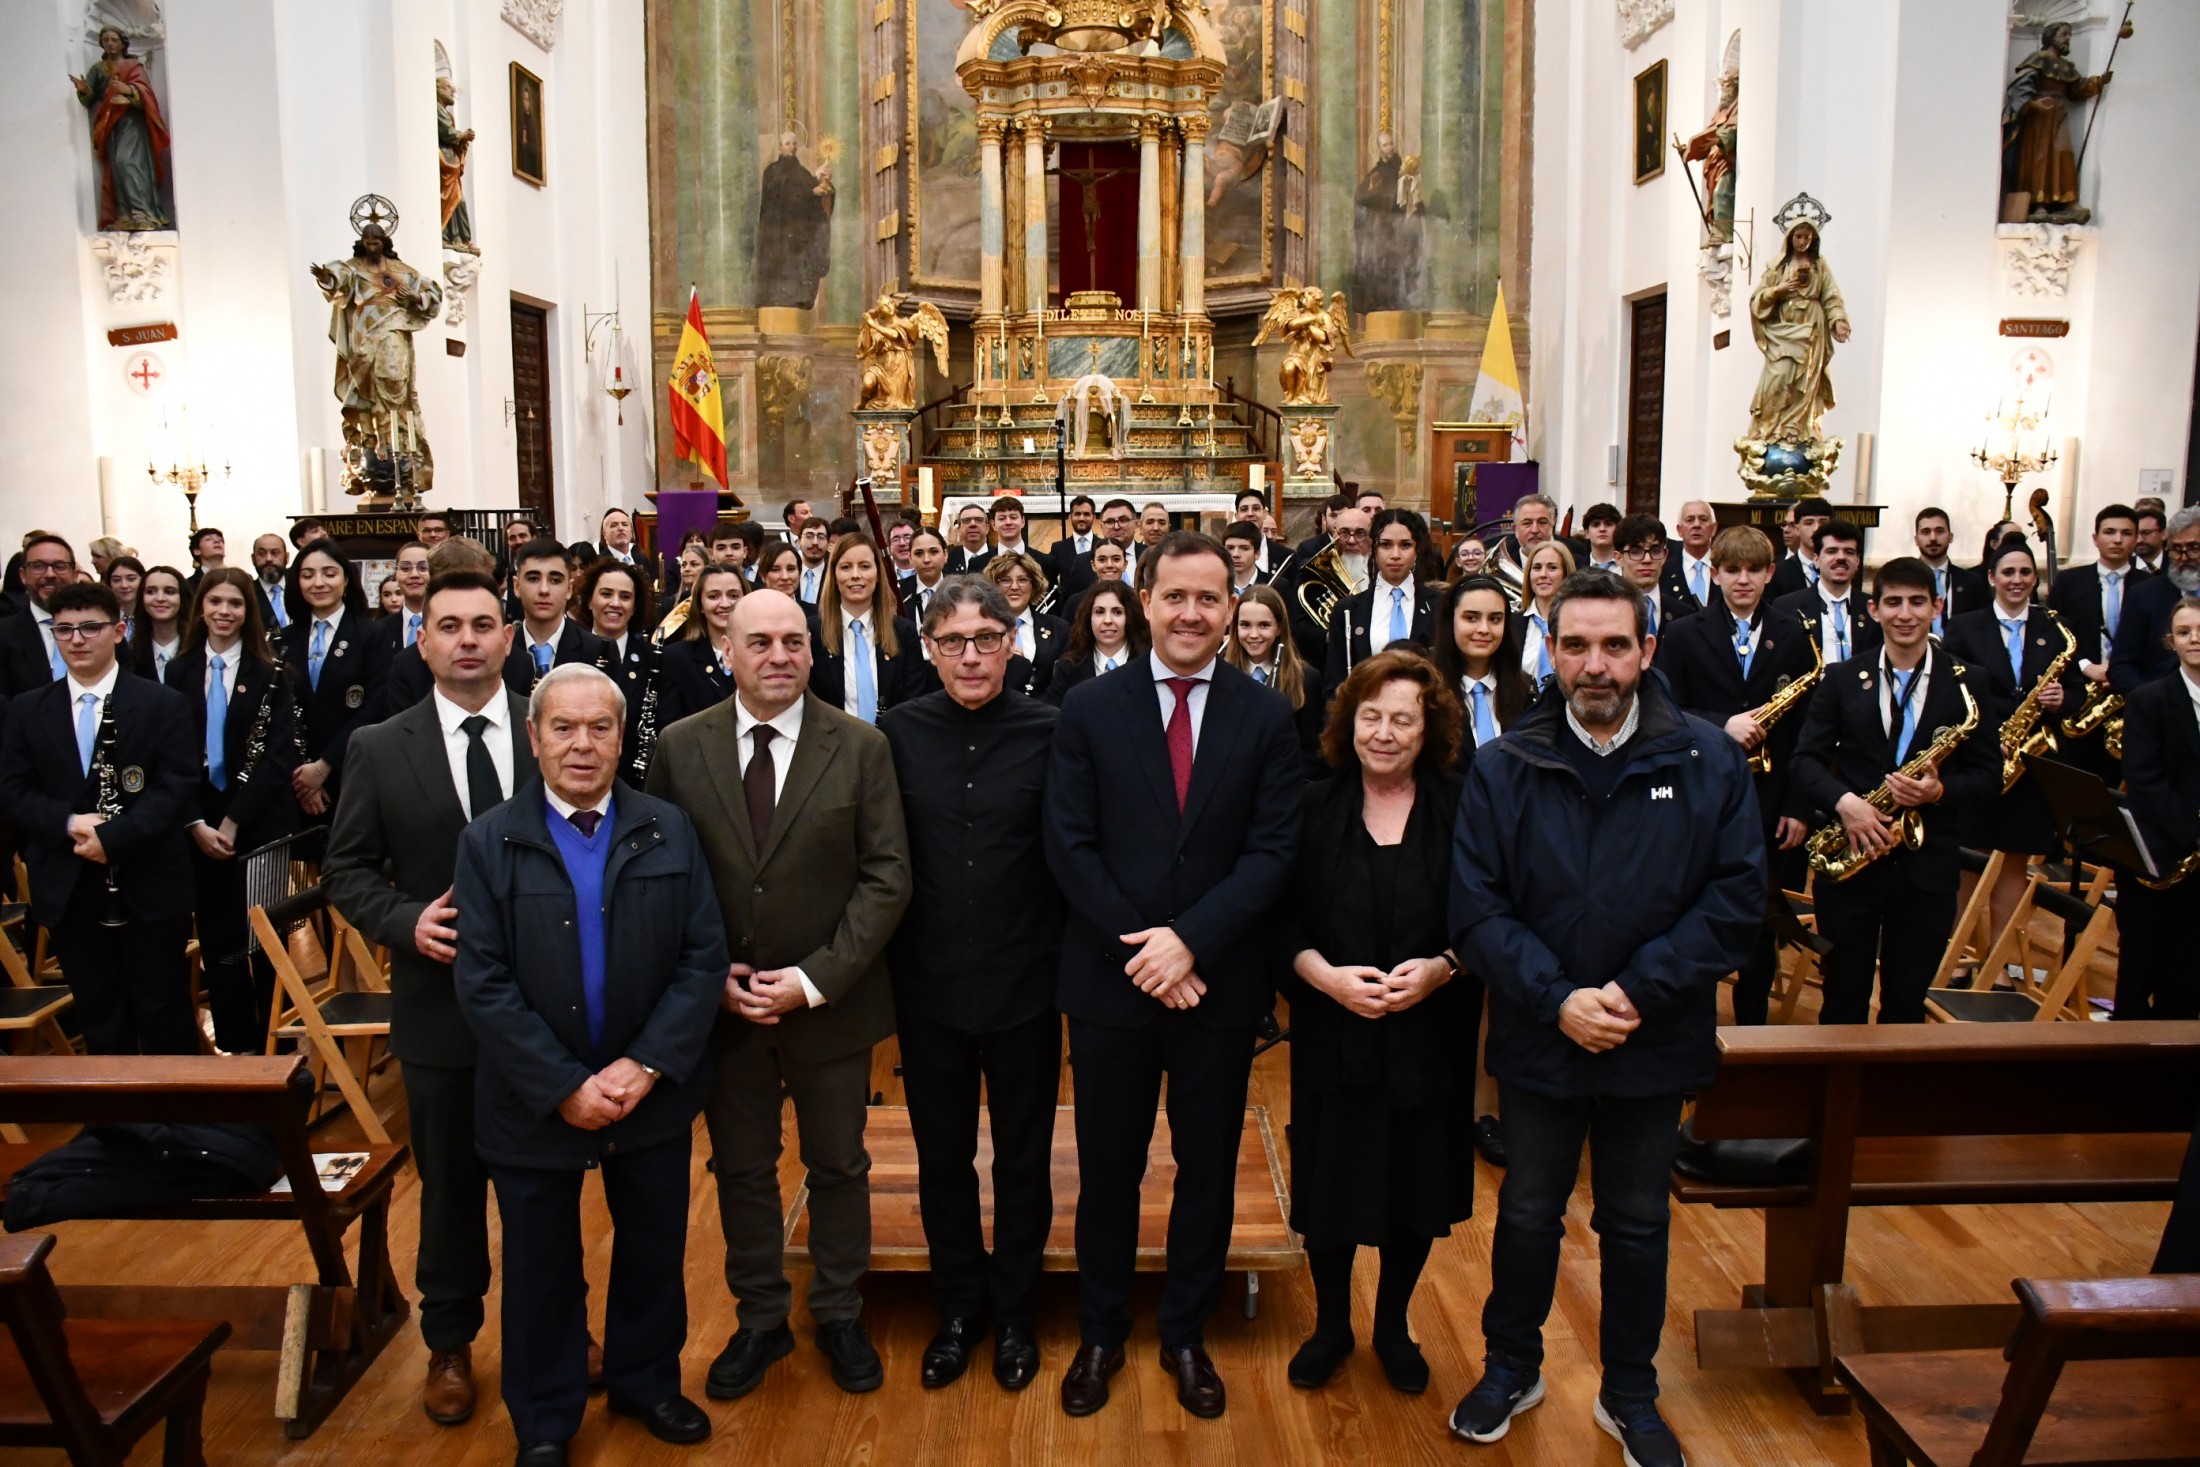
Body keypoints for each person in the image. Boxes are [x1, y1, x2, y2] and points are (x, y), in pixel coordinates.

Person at [1446, 570, 1762, 1467]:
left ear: (1647, 650)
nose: (1595, 664)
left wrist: (1633, 992)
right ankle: (1513, 1363)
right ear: (1548, 650)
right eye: (1575, 644)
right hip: (1542, 1033)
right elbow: (1475, 907)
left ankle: (1630, 1389)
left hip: (1650, 1034)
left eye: (1615, 645)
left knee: (1635, 1221)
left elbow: (1735, 902)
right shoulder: (1506, 761)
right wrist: (1557, 998)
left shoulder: (1708, 759)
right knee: (1527, 1211)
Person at [1044, 532, 1302, 1421]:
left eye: (1210, 597)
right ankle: (1102, 1330)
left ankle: (1187, 1331)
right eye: (1175, 596)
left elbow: (1273, 852)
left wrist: (1189, 943)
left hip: (1218, 982)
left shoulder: (1265, 716)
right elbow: (1068, 845)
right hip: (1114, 984)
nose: (1192, 613)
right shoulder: (1088, 706)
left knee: (1205, 1169)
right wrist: (1148, 952)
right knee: (1108, 1168)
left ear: (1232, 608)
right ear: (1143, 599)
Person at [644, 589, 913, 1402]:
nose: (779, 656)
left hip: (830, 1004)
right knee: (742, 1168)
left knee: (839, 1163)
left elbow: (887, 876)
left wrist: (811, 979)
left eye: (794, 641)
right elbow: (660, 874)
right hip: (720, 1009)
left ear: (812, 647)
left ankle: (837, 1307)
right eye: (759, 641)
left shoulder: (861, 745)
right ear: (724, 647)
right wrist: (708, 974)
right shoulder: (679, 748)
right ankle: (761, 1315)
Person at [453, 665, 726, 1463]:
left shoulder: (670, 828)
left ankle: (647, 1382)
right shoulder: (488, 839)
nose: (582, 743)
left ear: (621, 737)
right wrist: (562, 1084)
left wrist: (646, 1065)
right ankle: (544, 1416)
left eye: (599, 727)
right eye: (563, 728)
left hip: (649, 1092)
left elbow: (701, 959)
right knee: (539, 1264)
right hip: (533, 1101)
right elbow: (483, 979)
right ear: (533, 737)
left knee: (652, 1247)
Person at [324, 568, 535, 1425]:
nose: (469, 640)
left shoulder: (548, 724)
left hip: (544, 1007)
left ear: (509, 637)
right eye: (449, 625)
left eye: (484, 623)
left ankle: (554, 1328)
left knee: (545, 1186)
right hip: (439, 1006)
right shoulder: (380, 745)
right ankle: (448, 1340)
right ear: (423, 639)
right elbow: (345, 870)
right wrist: (406, 920)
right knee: (449, 1187)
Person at [879, 579, 1062, 1393]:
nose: (971, 656)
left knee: (1024, 1157)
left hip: (1027, 983)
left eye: (987, 637)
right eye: (952, 641)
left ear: (1014, 640)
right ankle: (959, 1306)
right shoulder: (894, 734)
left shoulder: (1055, 731)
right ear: (928, 648)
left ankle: (1018, 1309)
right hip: (929, 988)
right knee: (942, 1157)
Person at [1282, 650, 1473, 1395]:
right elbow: (1281, 919)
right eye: (1371, 717)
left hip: (1433, 1031)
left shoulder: (1463, 806)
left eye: (1403, 719)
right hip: (1334, 1030)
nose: (1385, 733)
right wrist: (1321, 977)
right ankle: (1331, 1325)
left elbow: (1494, 912)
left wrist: (1444, 967)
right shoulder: (1312, 805)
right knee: (1330, 1183)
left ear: (1431, 729)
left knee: (1415, 1184)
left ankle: (1392, 1324)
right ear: (1347, 721)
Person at [1791, 558, 1999, 1024]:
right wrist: (1848, 805)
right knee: (1842, 996)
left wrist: (1939, 793)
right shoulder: (1843, 678)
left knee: (1906, 1002)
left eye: (1917, 602)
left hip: (1927, 871)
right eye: (1893, 602)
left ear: (1936, 607)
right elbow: (1804, 761)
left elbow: (1990, 775)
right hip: (1852, 860)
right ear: (1874, 609)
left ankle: (1891, 1097)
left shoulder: (1969, 683)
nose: (1905, 614)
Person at [0, 582, 198, 1054]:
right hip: (70, 884)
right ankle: (116, 1127)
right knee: (99, 1012)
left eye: (90, 627)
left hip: (148, 882)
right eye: (63, 628)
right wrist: (69, 823)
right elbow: (13, 789)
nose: (76, 639)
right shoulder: (28, 709)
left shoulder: (161, 703)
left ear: (119, 630)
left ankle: (180, 1122)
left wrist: (114, 837)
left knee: (162, 1008)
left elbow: (175, 785)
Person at [1658, 526, 1819, 1024]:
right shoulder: (1683, 633)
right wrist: (1719, 724)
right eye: (1732, 570)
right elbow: (1665, 709)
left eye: (1754, 570)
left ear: (1771, 573)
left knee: (1760, 921)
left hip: (1769, 799)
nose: (1743, 580)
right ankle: (1695, 1027)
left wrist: (1797, 806)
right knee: (1694, 911)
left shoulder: (1794, 635)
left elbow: (1806, 734)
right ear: (1715, 573)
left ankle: (1754, 1025)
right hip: (1702, 794)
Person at [166, 568, 301, 1050]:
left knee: (265, 939)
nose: (225, 612)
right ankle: (237, 1041)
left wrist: (233, 818)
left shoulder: (272, 674)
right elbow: (172, 754)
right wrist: (197, 823)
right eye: (216, 601)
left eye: (236, 603)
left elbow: (279, 755)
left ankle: (274, 1042)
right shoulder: (177, 672)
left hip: (258, 822)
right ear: (200, 607)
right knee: (221, 942)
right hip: (198, 824)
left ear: (250, 611)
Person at [1428, 574, 1535, 1164]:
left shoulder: (1527, 691)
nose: (1483, 630)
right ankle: (1451, 1108)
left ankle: (1490, 1110)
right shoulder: (1429, 688)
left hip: (1514, 856)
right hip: (1447, 850)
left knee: (1501, 988)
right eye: (1472, 618)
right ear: (1452, 622)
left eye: (1495, 619)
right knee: (1453, 984)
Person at [1945, 538, 2079, 957]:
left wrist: (2064, 700)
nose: (2017, 580)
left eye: (2025, 573)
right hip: (1983, 758)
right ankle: (1956, 956)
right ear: (1991, 578)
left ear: (2034, 578)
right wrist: (1995, 733)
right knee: (1969, 862)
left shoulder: (2055, 629)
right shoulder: (1966, 626)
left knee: (2015, 864)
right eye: (2008, 572)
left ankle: (1997, 962)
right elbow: (1954, 691)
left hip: (2031, 764)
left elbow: (2077, 691)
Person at [2113, 596, 2200, 1020]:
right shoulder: (2149, 700)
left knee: (2189, 969)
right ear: (2172, 642)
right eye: (2184, 633)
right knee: (2142, 965)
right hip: (2159, 855)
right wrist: (2193, 830)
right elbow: (2145, 780)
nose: (2195, 639)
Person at [282, 542, 391, 821]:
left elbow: (376, 707)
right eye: (307, 575)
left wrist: (324, 766)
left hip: (353, 774)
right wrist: (305, 778)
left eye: (329, 573)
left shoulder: (372, 634)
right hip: (294, 781)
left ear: (346, 579)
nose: (318, 583)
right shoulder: (283, 639)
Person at [1323, 508, 1440, 703]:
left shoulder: (1440, 605)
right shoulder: (1347, 610)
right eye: (1386, 545)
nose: (1395, 554)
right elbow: (1333, 684)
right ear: (1372, 548)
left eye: (1405, 545)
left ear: (1417, 550)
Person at [812, 536, 921, 724]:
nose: (855, 575)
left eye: (864, 566)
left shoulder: (904, 632)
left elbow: (913, 700)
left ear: (878, 574)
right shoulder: (813, 632)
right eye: (846, 567)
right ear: (834, 575)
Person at [577, 559, 663, 786]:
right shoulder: (570, 654)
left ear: (635, 607)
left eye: (625, 597)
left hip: (637, 785)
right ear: (589, 600)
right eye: (606, 594)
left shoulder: (654, 659)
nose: (615, 603)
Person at [1224, 585, 1322, 772]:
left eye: (1264, 625)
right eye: (1245, 625)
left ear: (1279, 628)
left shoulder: (1306, 678)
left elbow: (1312, 752)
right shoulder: (1220, 675)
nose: (1253, 635)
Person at [2048, 501, 2145, 691]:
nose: (2117, 540)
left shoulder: (2151, 585)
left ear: (2136, 540)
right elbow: (2053, 632)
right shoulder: (2069, 581)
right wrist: (2086, 666)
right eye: (2109, 532)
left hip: (2136, 687)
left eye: (2126, 533)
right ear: (2095, 538)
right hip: (2080, 684)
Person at [506, 540, 614, 695]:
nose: (544, 590)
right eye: (533, 579)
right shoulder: (501, 653)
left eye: (555, 580)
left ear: (569, 589)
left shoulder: (597, 651)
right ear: (517, 586)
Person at [2111, 506, 2200, 695]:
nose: (2184, 558)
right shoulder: (2143, 595)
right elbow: (2121, 666)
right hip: (2161, 710)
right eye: (2176, 549)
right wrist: (2151, 701)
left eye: (2194, 548)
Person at [1773, 517, 1877, 665]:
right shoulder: (1786, 607)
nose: (1841, 557)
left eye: (1849, 552)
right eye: (1832, 551)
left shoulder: (1873, 609)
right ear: (1817, 559)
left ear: (1858, 561)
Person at [659, 565, 747, 723]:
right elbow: (670, 729)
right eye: (714, 597)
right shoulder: (675, 658)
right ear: (699, 604)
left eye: (733, 596)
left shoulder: (762, 653)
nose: (725, 604)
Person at [0, 533, 81, 694]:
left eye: (59, 566)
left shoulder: (102, 627)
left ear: (74, 574)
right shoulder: (3, 634)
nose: (50, 574)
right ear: (23, 575)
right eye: (38, 566)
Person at [1045, 581, 1147, 707]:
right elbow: (1054, 717)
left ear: (1130, 617)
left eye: (1117, 612)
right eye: (1099, 612)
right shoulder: (1068, 667)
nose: (1108, 620)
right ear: (1089, 618)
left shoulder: (1148, 664)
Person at [987, 552, 1064, 698]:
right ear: (993, 586)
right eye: (1005, 580)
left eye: (1022, 580)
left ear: (1034, 585)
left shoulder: (1059, 628)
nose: (1014, 587)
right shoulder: (981, 630)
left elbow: (1063, 681)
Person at [1914, 506, 1990, 633]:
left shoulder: (1973, 582)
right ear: (1916, 540)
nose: (1933, 537)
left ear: (1951, 537)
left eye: (1939, 531)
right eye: (1926, 532)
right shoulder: (1902, 581)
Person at [1518, 541, 1576, 690]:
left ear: (1565, 574)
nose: (1543, 574)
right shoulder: (1512, 624)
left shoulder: (1580, 624)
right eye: (1537, 568)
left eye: (1552, 568)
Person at [1613, 514, 1680, 636]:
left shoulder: (1683, 614)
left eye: (1655, 551)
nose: (1647, 559)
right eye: (1636, 552)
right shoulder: (1605, 611)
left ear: (1664, 556)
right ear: (1619, 558)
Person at [128, 563, 188, 682]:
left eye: (169, 592)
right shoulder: (131, 655)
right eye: (150, 592)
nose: (160, 598)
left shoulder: (199, 651)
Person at [1766, 496, 1834, 600]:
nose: (1816, 529)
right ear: (1797, 528)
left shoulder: (1839, 567)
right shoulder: (1778, 572)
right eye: (1809, 523)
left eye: (1823, 523)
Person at [1665, 501, 1719, 618]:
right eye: (1690, 520)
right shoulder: (1665, 570)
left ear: (1714, 528)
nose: (1696, 525)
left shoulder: (1725, 567)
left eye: (1703, 519)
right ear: (1679, 530)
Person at [382, 541, 432, 652]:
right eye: (405, 568)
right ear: (396, 574)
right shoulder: (379, 631)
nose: (414, 574)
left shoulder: (450, 626)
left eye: (423, 567)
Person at [896, 527, 951, 627]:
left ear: (945, 555)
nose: (926, 560)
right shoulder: (897, 593)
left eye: (933, 552)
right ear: (910, 558)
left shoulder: (961, 590)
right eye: (919, 553)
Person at [250, 532, 294, 631]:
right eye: (262, 554)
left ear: (287, 558)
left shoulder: (300, 588)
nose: (268, 559)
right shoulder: (247, 594)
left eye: (275, 553)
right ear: (253, 559)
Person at [102, 555, 144, 641]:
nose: (124, 585)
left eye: (131, 579)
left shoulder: (153, 617)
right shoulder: (104, 617)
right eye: (116, 580)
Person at [945, 504, 994, 577]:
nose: (973, 524)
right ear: (959, 530)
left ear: (987, 528)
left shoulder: (999, 556)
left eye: (978, 520)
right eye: (966, 521)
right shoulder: (948, 559)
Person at [1578, 503, 1621, 573]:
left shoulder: (1628, 565)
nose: (1602, 529)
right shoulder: (1575, 567)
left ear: (1618, 530)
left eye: (1608, 524)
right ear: (1586, 533)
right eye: (1595, 525)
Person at [2136, 504, 2167, 575]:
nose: (2139, 540)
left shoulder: (2176, 566)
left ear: (2163, 534)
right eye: (2135, 534)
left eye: (2146, 533)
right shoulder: (2123, 567)